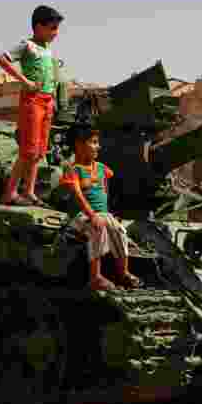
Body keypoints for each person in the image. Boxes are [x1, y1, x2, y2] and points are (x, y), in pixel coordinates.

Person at [0, 5, 64, 206]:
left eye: (56, 28)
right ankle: (10, 193)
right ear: (38, 27)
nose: (56, 33)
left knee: (40, 152)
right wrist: (24, 81)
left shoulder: (47, 50)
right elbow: (2, 59)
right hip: (32, 100)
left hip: (47, 100)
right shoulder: (27, 45)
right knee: (28, 150)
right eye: (52, 28)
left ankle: (29, 191)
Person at [60, 124, 142, 291]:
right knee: (98, 229)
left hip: (102, 213)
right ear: (79, 145)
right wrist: (92, 215)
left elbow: (106, 187)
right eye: (94, 142)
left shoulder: (102, 169)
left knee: (119, 230)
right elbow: (78, 195)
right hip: (81, 215)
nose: (98, 146)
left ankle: (123, 272)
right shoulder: (73, 170)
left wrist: (108, 213)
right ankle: (95, 276)